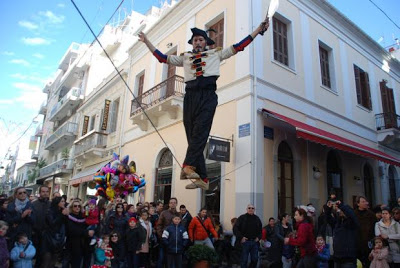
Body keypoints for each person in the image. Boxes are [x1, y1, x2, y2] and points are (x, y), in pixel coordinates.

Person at [139, 19, 270, 191]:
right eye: (195, 40)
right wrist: (146, 41)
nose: (198, 42)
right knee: (192, 136)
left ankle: (188, 165)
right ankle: (204, 178)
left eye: (201, 40)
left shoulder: (216, 54)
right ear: (193, 43)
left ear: (205, 43)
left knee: (201, 131)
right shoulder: (185, 57)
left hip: (208, 95)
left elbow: (239, 46)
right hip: (190, 96)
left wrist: (258, 30)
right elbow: (162, 58)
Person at [325, 200, 359, 268]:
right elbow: (328, 219)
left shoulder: (352, 223)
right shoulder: (338, 222)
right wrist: (328, 208)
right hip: (337, 258)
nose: (340, 211)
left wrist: (341, 205)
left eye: (342, 210)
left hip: (348, 259)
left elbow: (351, 215)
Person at [64, 199, 94, 268]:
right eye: (75, 206)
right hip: (71, 244)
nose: (77, 207)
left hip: (82, 245)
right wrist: (86, 232)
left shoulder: (83, 216)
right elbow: (72, 230)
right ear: (72, 207)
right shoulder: (69, 217)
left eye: (79, 206)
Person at [41, 196, 68, 268]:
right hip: (49, 239)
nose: (64, 203)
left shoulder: (63, 211)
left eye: (64, 201)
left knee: (53, 262)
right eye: (62, 201)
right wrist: (62, 215)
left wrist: (66, 215)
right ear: (57, 202)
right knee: (46, 261)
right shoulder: (50, 211)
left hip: (59, 239)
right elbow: (52, 223)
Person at [156, 197, 180, 268]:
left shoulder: (178, 214)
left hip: (174, 240)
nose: (173, 204)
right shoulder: (164, 213)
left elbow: (180, 226)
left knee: (171, 260)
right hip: (164, 238)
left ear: (176, 204)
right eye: (171, 203)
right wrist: (161, 236)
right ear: (169, 204)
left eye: (174, 203)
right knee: (161, 257)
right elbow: (159, 225)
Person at [31, 185, 50, 268]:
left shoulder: (51, 204)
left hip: (47, 234)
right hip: (36, 234)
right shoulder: (34, 204)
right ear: (39, 193)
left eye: (47, 192)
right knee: (36, 256)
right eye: (43, 192)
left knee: (45, 257)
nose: (45, 193)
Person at [354, 196, 375, 267]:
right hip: (357, 244)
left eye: (366, 201)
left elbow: (373, 228)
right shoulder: (354, 214)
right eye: (363, 202)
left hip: (368, 243)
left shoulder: (371, 214)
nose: (366, 203)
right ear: (358, 204)